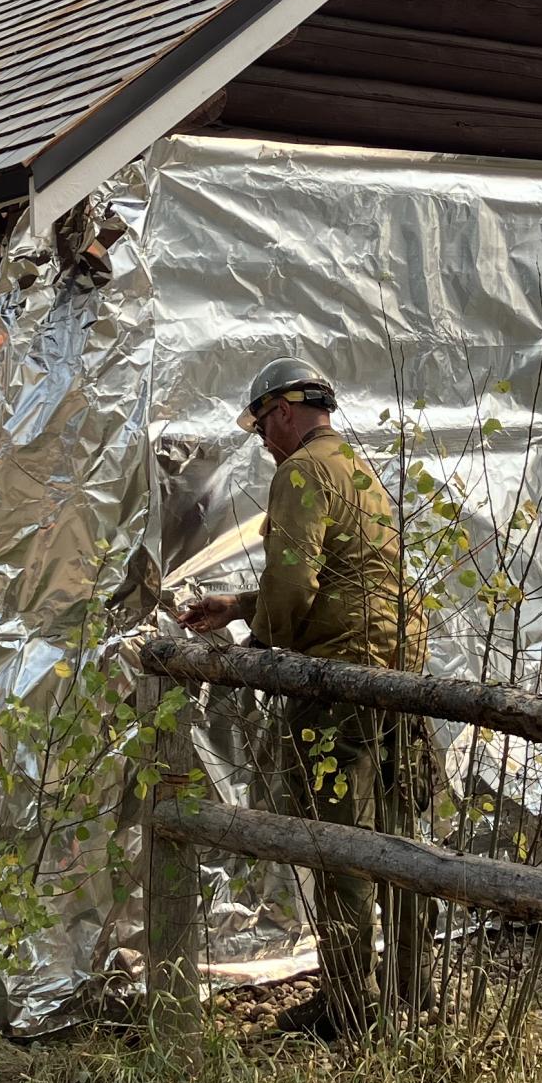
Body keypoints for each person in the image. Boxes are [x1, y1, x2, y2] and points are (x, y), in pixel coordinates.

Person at [178, 358, 423, 1036]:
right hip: (398, 672)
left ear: (282, 412)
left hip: (341, 681)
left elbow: (295, 588)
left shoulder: (300, 472)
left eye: (261, 428)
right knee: (399, 838)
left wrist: (257, 646)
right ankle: (411, 989)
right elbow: (345, 577)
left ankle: (349, 1007)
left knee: (337, 839)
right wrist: (237, 605)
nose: (263, 444)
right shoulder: (356, 466)